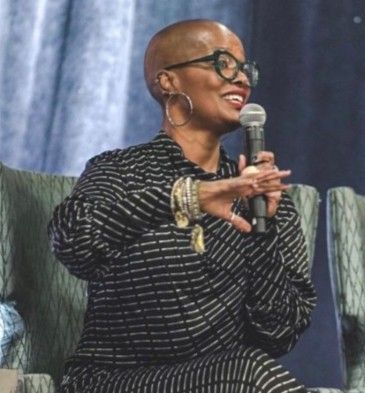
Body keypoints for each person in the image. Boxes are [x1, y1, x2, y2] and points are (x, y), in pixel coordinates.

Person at [49, 19, 316, 393]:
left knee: (253, 369)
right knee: (249, 371)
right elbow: (74, 242)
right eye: (223, 63)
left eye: (245, 69)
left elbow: (278, 334)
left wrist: (263, 231)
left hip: (226, 381)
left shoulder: (264, 198)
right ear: (168, 81)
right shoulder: (120, 170)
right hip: (112, 382)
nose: (242, 79)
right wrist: (191, 196)